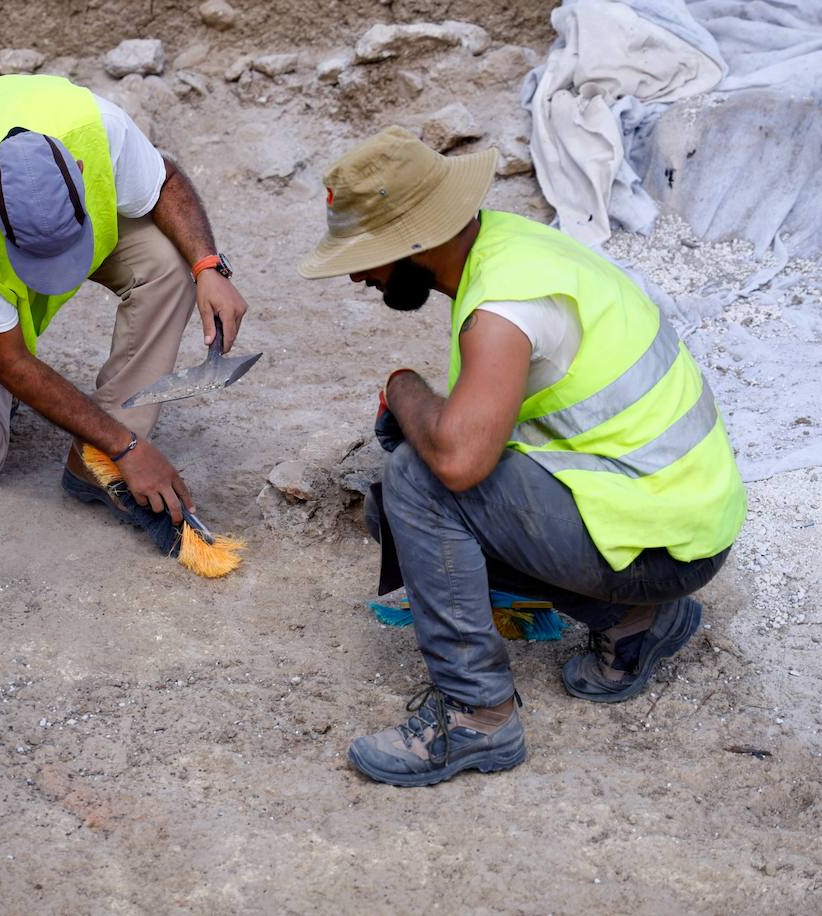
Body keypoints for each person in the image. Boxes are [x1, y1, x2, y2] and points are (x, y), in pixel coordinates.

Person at [297, 127, 746, 787]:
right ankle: (634, 620)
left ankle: (480, 716)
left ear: (418, 240)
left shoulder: (504, 303)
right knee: (399, 488)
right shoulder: (507, 246)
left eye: (371, 256)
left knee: (418, 481)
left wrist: (403, 386)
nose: (360, 276)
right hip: (673, 516)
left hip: (664, 537)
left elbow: (457, 465)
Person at [0, 74, 249, 540]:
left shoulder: (98, 129)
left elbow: (164, 181)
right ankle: (91, 431)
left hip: (26, 223)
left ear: (79, 172)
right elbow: (12, 362)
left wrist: (208, 267)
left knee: (168, 264)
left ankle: (94, 464)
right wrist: (128, 449)